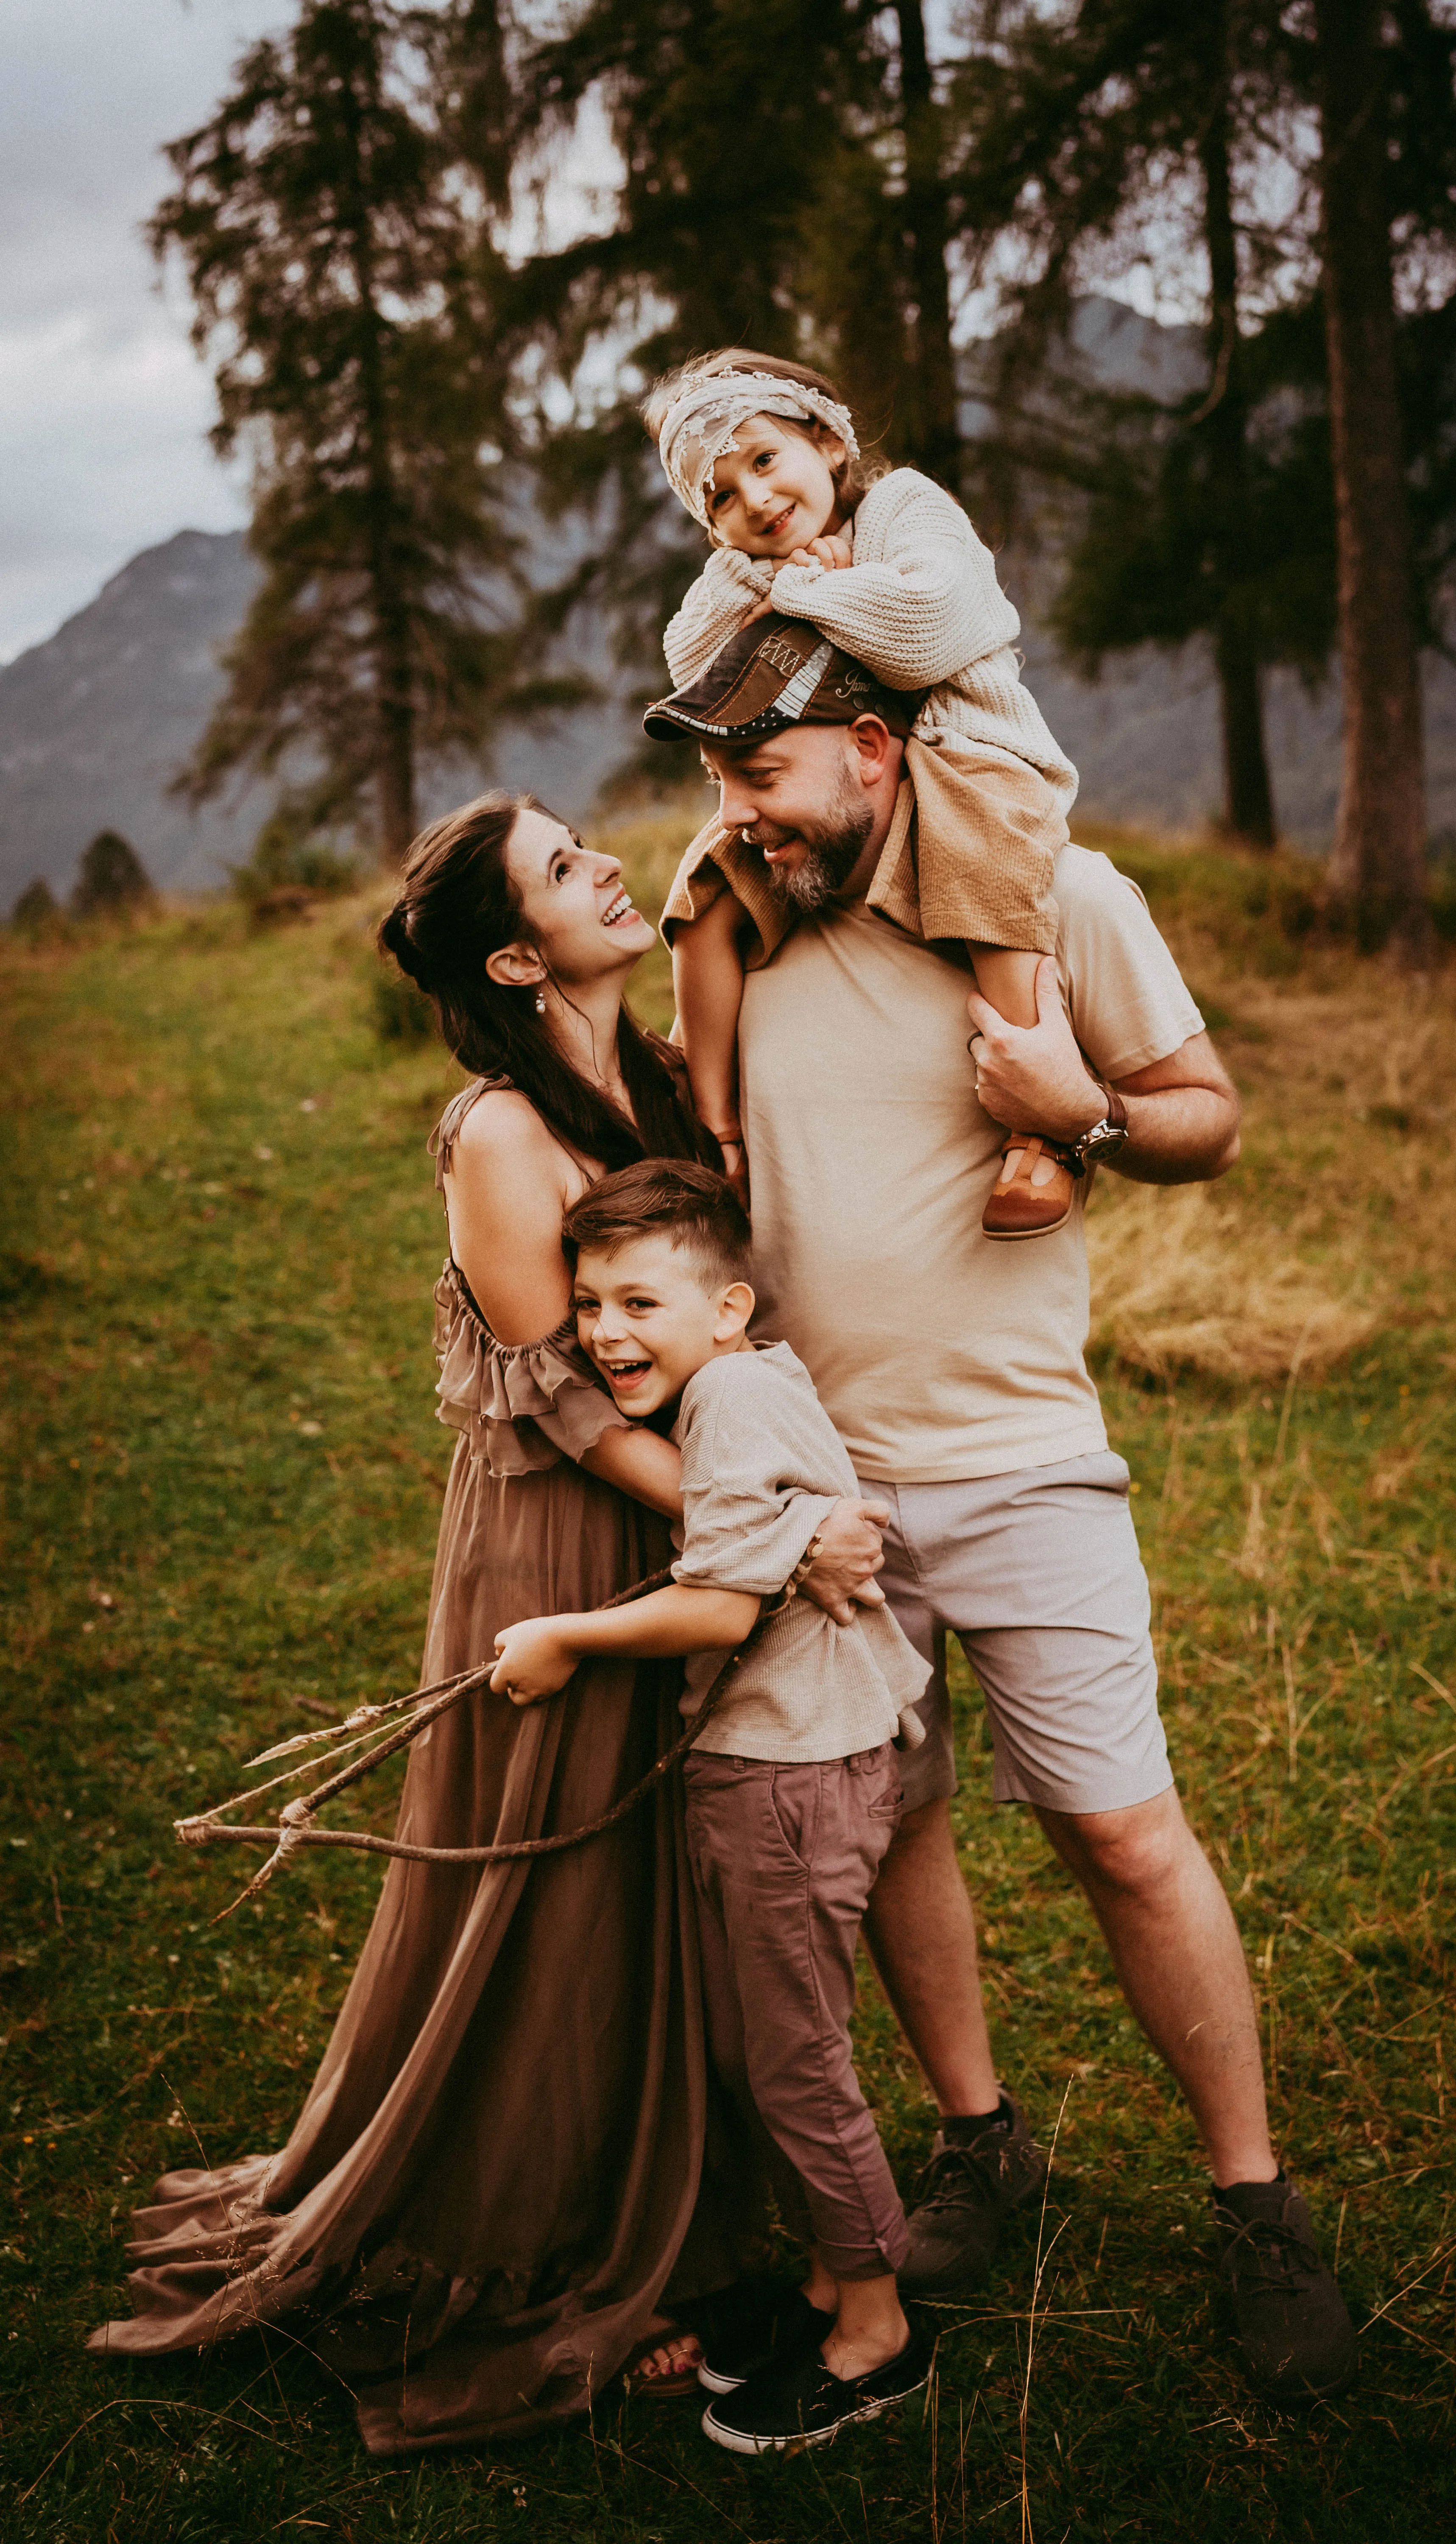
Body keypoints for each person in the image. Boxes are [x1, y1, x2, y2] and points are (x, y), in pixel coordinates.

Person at [88, 789, 887, 2455]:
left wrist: (720, 879)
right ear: (520, 954)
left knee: (666, 1866)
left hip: (692, 1518)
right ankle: (541, 2228)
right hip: (562, 1538)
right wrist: (780, 1526)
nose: (601, 860)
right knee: (560, 1875)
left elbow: (719, 980)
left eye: (586, 834)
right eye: (561, 865)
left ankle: (662, 2196)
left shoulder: (640, 1077)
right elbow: (577, 1421)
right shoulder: (499, 1134)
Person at [643, 630, 1361, 2406]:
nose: (731, 810)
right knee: (889, 1823)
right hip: (823, 1496)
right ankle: (978, 2143)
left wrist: (1089, 1114)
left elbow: (1208, 1116)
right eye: (716, 776)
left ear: (874, 750)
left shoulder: (1058, 892)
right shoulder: (741, 926)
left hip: (1026, 1458)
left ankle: (1253, 2205)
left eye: (762, 771)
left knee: (1122, 1835)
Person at [493, 1159, 937, 2455]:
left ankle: (876, 2328)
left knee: (797, 2063)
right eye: (588, 1305)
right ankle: (829, 2272)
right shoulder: (746, 1382)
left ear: (730, 1309)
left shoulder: (734, 1396)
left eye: (641, 1302)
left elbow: (724, 1607)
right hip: (788, 1764)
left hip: (793, 1777)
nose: (606, 1333)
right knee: (770, 2048)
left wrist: (565, 1637)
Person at [644, 346, 1082, 1240]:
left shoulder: (904, 508)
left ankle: (1037, 1123)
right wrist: (800, 586)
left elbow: (922, 630)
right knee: (709, 887)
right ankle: (708, 1123)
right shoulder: (745, 566)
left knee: (980, 856)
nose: (755, 502)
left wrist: (802, 592)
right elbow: (694, 662)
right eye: (718, 497)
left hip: (968, 750)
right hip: (839, 780)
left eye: (764, 461)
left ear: (829, 443)